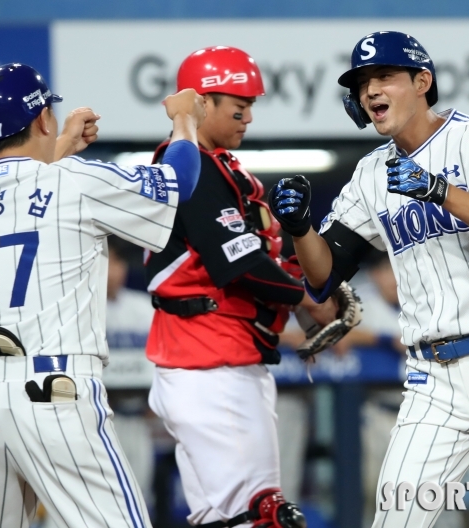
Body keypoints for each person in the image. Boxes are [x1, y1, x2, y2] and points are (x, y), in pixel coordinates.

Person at [269, 31, 469, 527]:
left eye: (385, 77)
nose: (371, 90)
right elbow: (324, 277)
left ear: (422, 82)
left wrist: (440, 191)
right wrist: (299, 228)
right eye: (363, 83)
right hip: (430, 376)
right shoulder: (371, 174)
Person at [0, 62, 206, 528]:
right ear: (42, 119)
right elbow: (178, 184)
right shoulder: (77, 180)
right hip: (53, 395)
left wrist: (59, 147)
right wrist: (185, 121)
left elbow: (17, 192)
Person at [145, 46, 335, 528]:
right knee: (260, 517)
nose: (248, 116)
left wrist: (309, 273)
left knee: (233, 517)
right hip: (207, 361)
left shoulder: (226, 168)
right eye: (238, 105)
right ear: (199, 103)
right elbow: (239, 265)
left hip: (226, 360)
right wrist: (311, 298)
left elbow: (263, 257)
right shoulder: (186, 166)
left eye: (251, 105)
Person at [105, 236, 157, 507]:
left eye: (118, 262)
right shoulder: (77, 312)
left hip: (137, 417)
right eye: (106, 263)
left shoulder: (144, 307)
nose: (113, 271)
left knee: (137, 497)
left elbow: (161, 361)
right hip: (95, 421)